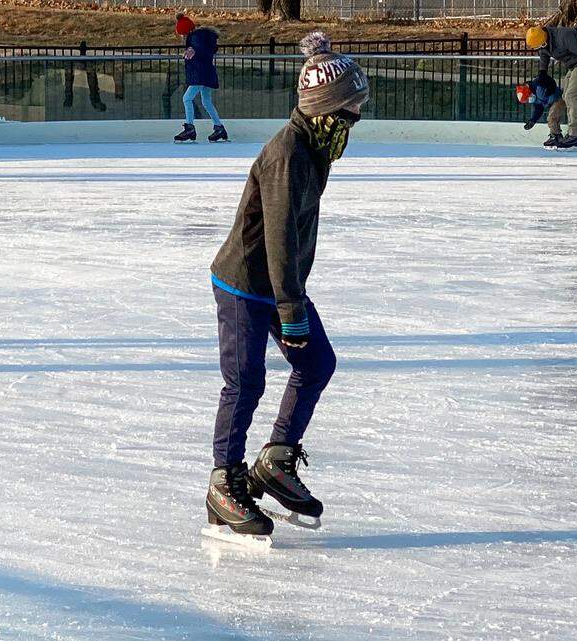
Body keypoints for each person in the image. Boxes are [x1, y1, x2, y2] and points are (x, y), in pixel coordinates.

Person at [204, 31, 370, 540]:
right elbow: (278, 236)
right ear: (325, 109)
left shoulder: (314, 146)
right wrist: (292, 308)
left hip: (279, 284)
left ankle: (275, 459)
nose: (353, 124)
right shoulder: (289, 154)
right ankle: (223, 482)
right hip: (244, 285)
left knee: (317, 361)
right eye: (348, 114)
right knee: (245, 381)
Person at [524, 26, 577, 150]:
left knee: (571, 96)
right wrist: (542, 72)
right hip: (572, 66)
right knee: (564, 97)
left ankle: (575, 135)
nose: (541, 49)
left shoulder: (565, 36)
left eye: (541, 46)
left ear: (545, 40)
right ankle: (556, 134)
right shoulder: (543, 42)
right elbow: (544, 54)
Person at [173, 14, 227, 143]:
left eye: (181, 34)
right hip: (206, 73)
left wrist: (194, 50)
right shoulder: (201, 37)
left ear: (185, 32)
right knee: (206, 102)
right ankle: (219, 128)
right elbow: (207, 50)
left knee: (187, 98)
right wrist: (194, 49)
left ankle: (189, 127)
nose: (181, 37)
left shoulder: (195, 38)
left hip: (200, 75)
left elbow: (201, 50)